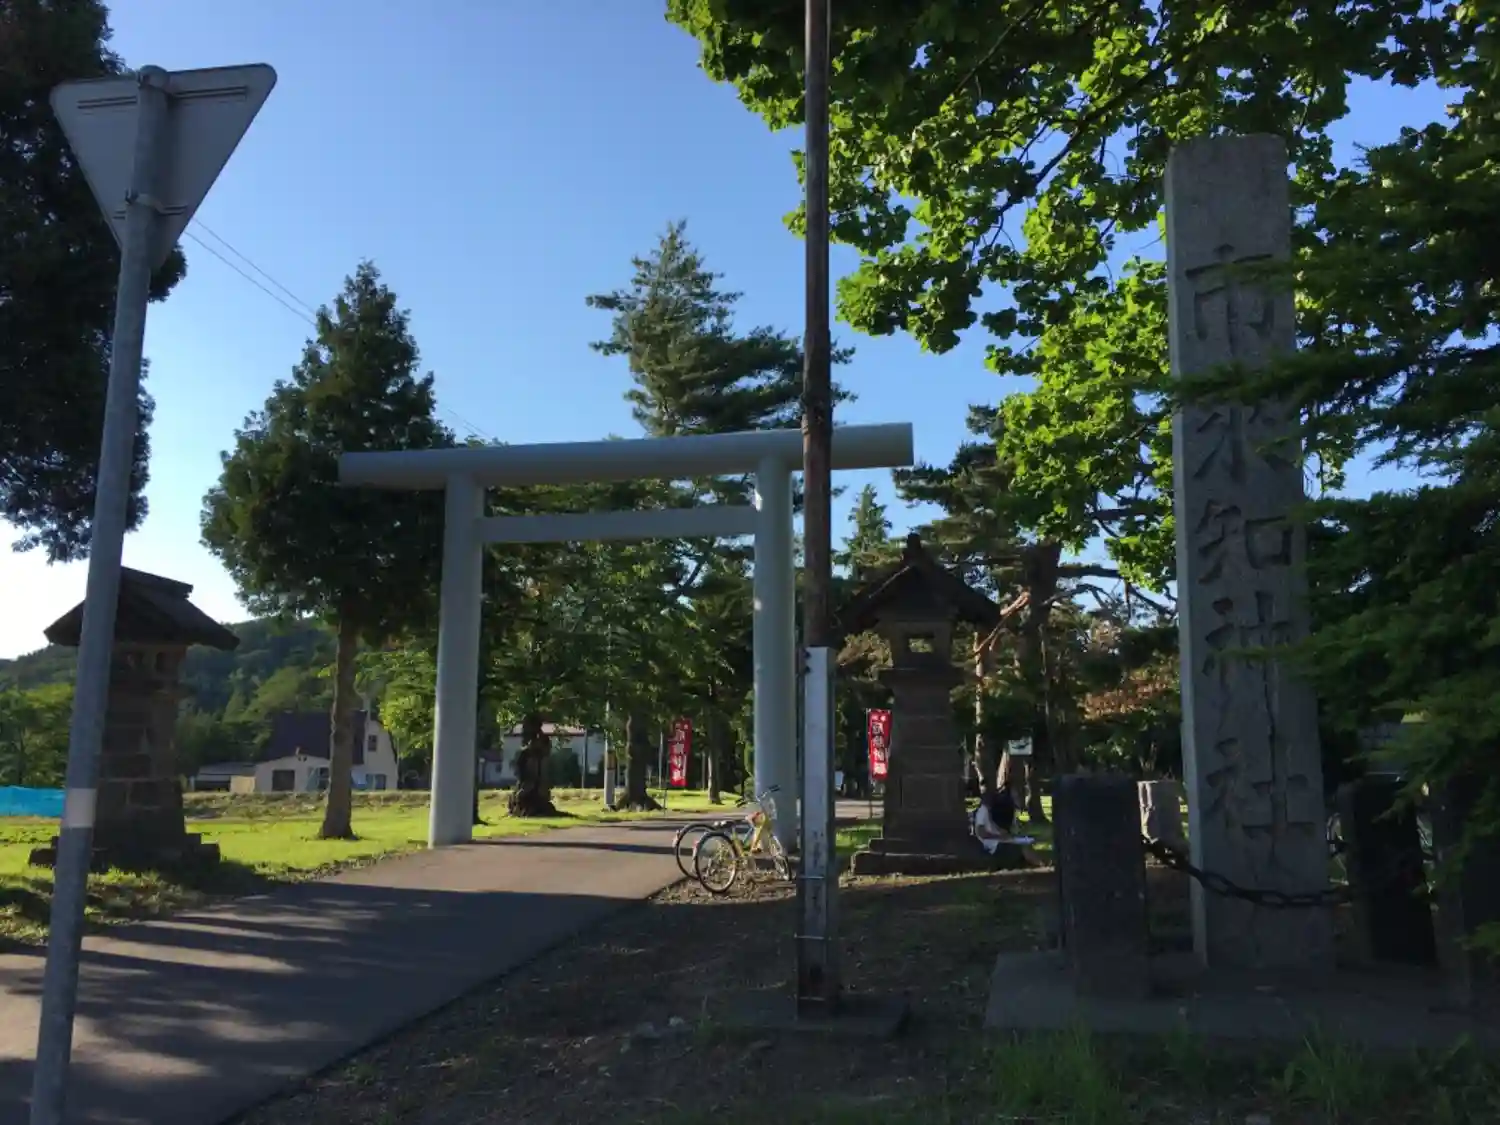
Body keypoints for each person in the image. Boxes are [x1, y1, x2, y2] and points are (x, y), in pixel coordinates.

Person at [972, 785, 1040, 865]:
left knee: (1027, 841)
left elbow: (1001, 829)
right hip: (993, 845)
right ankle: (1040, 864)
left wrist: (1007, 834)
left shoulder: (992, 810)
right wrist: (1001, 837)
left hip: (1001, 841)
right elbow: (981, 833)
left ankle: (1038, 863)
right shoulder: (982, 810)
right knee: (1023, 845)